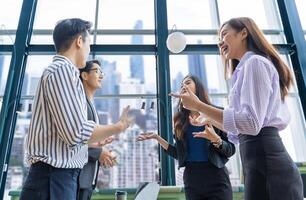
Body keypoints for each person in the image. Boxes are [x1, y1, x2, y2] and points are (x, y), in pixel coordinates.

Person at [170, 17, 303, 200]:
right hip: (256, 161)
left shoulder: (255, 63)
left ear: (243, 33)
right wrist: (208, 117)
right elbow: (239, 130)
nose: (220, 41)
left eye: (224, 34)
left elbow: (251, 123)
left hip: (267, 161)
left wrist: (199, 106)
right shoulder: (244, 70)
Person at [20, 18, 132, 200]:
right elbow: (75, 132)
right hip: (54, 178)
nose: (88, 50)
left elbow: (63, 135)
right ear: (79, 41)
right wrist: (118, 127)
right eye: (89, 43)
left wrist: (92, 142)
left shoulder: (61, 72)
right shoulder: (63, 70)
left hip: (55, 177)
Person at [138, 75, 235, 200]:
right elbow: (180, 154)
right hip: (192, 180)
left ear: (198, 88)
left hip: (216, 177)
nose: (183, 86)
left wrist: (216, 139)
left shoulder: (217, 113)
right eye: (181, 85)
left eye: (188, 83)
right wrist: (157, 138)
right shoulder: (180, 122)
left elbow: (231, 150)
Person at [77, 59, 117, 200]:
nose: (101, 75)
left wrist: (101, 143)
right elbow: (73, 138)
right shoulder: (80, 104)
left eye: (102, 72)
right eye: (97, 71)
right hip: (77, 179)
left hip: (87, 181)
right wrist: (99, 151)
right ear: (84, 75)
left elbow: (86, 138)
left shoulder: (91, 104)